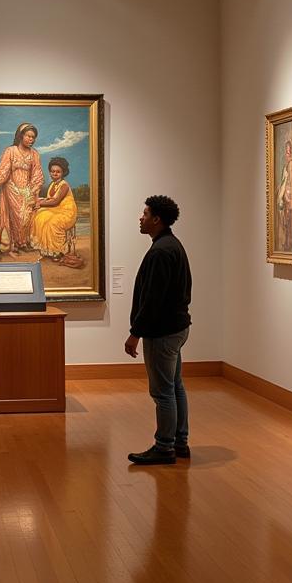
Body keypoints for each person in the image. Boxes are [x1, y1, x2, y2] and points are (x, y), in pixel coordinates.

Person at [124, 195, 192, 466]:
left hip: (162, 331)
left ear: (156, 219)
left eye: (145, 213)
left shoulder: (161, 251)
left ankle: (164, 447)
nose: (140, 218)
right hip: (176, 327)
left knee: (162, 391)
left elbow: (153, 300)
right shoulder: (171, 245)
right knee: (175, 387)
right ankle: (179, 442)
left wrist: (135, 333)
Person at [0, 122, 44, 254]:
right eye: (28, 136)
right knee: (18, 217)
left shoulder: (34, 154)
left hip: (28, 190)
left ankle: (24, 242)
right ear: (21, 136)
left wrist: (34, 191)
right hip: (11, 189)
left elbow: (37, 175)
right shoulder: (10, 151)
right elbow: (2, 172)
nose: (31, 139)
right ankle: (16, 243)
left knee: (27, 217)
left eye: (33, 137)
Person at [31, 156, 78, 260]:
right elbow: (49, 199)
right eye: (52, 171)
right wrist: (39, 201)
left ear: (63, 173)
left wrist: (39, 203)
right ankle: (46, 249)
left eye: (58, 172)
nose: (55, 174)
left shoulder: (64, 185)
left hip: (67, 211)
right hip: (56, 209)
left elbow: (55, 201)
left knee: (52, 223)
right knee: (40, 217)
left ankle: (58, 251)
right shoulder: (52, 184)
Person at [277, 138, 292, 251]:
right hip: (285, 199)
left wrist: (288, 197)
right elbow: (284, 181)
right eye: (286, 151)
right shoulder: (286, 166)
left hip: (289, 200)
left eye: (289, 151)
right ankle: (286, 243)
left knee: (289, 224)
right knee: (285, 223)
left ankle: (289, 243)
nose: (287, 154)